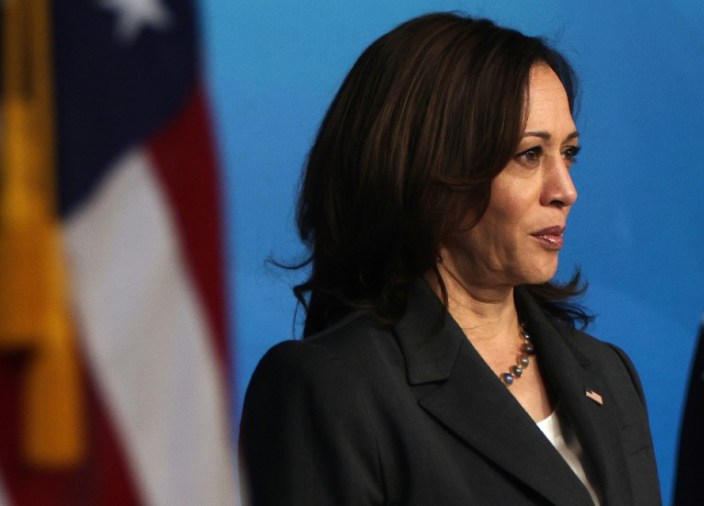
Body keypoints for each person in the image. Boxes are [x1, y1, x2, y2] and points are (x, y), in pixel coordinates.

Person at [240, 12, 661, 505]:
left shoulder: (608, 373)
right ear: (431, 172)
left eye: (567, 153)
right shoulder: (329, 388)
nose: (566, 190)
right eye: (529, 155)